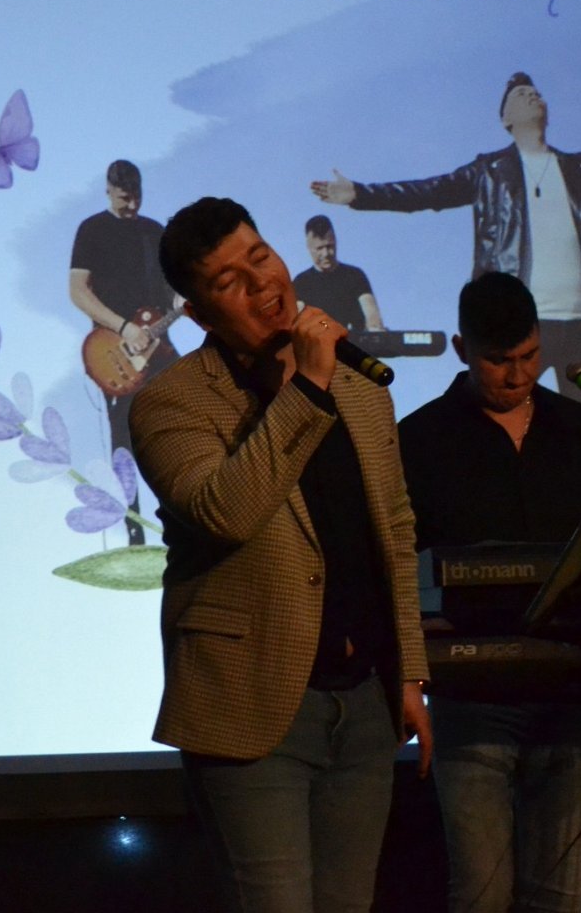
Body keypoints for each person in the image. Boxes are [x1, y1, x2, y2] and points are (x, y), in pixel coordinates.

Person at [129, 197, 431, 912]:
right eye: (228, 280)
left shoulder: (361, 390)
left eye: (260, 257)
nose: (261, 282)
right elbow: (226, 511)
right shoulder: (170, 404)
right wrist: (308, 386)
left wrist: (410, 672)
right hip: (253, 705)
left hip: (365, 701)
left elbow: (394, 529)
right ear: (199, 315)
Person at [398, 272, 581, 913]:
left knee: (561, 895)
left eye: (529, 355)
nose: (519, 375)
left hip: (566, 687)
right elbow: (399, 562)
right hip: (470, 694)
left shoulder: (575, 427)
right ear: (461, 349)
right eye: (499, 361)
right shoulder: (421, 438)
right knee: (481, 893)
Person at [311, 71, 581, 396]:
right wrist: (359, 194)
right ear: (506, 119)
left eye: (536, 92)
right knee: (507, 427)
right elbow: (428, 192)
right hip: (518, 322)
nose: (533, 95)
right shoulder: (489, 172)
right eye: (521, 94)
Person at [69, 159, 179, 544]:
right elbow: (78, 291)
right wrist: (123, 327)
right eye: (124, 198)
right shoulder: (92, 230)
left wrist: (184, 300)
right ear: (108, 191)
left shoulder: (154, 233)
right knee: (126, 443)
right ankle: (135, 535)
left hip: (159, 349)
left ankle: (179, 526)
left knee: (181, 426)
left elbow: (172, 292)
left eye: (137, 197)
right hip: (115, 353)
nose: (132, 205)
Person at [292, 215, 384, 333]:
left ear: (336, 242)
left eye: (330, 246)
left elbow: (372, 314)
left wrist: (375, 329)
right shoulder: (301, 283)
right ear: (309, 248)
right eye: (319, 248)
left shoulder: (355, 276)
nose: (326, 253)